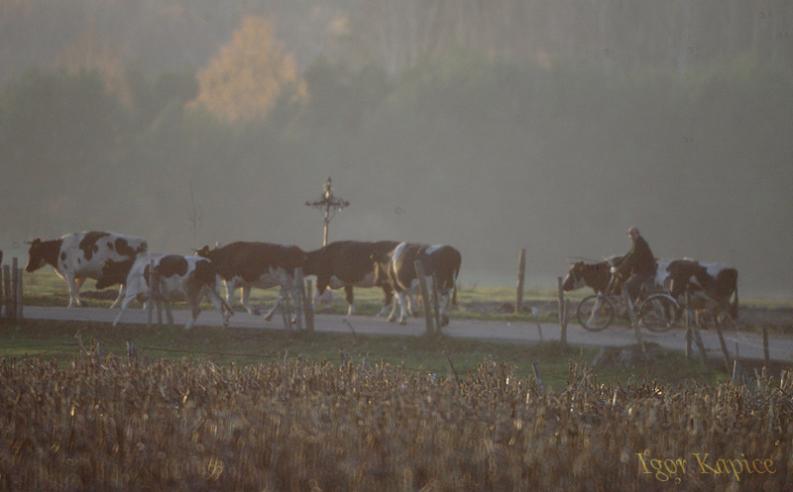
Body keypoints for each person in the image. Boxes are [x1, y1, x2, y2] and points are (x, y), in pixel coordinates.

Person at [613, 226, 657, 304]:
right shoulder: (636, 242)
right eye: (629, 234)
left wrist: (619, 269)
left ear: (637, 234)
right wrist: (617, 263)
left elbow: (632, 259)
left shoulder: (640, 244)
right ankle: (637, 307)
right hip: (643, 271)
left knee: (626, 286)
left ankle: (631, 311)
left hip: (645, 272)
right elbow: (628, 255)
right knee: (638, 291)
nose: (631, 236)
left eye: (632, 234)